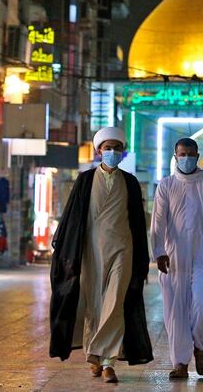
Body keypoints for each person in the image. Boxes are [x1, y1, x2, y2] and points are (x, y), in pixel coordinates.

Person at [49, 127, 153, 383]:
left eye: (118, 148)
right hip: (90, 251)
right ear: (98, 151)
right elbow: (72, 218)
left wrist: (144, 257)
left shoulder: (130, 182)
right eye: (108, 148)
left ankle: (107, 361)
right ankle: (93, 355)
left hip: (123, 249)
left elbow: (138, 222)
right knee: (94, 306)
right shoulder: (84, 180)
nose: (113, 152)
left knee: (115, 302)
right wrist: (65, 251)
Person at [151, 138, 203, 379]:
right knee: (175, 310)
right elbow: (158, 222)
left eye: (190, 154)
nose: (186, 158)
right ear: (175, 157)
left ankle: (198, 346)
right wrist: (159, 252)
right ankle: (180, 363)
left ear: (197, 156)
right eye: (182, 154)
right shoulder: (166, 185)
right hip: (174, 256)